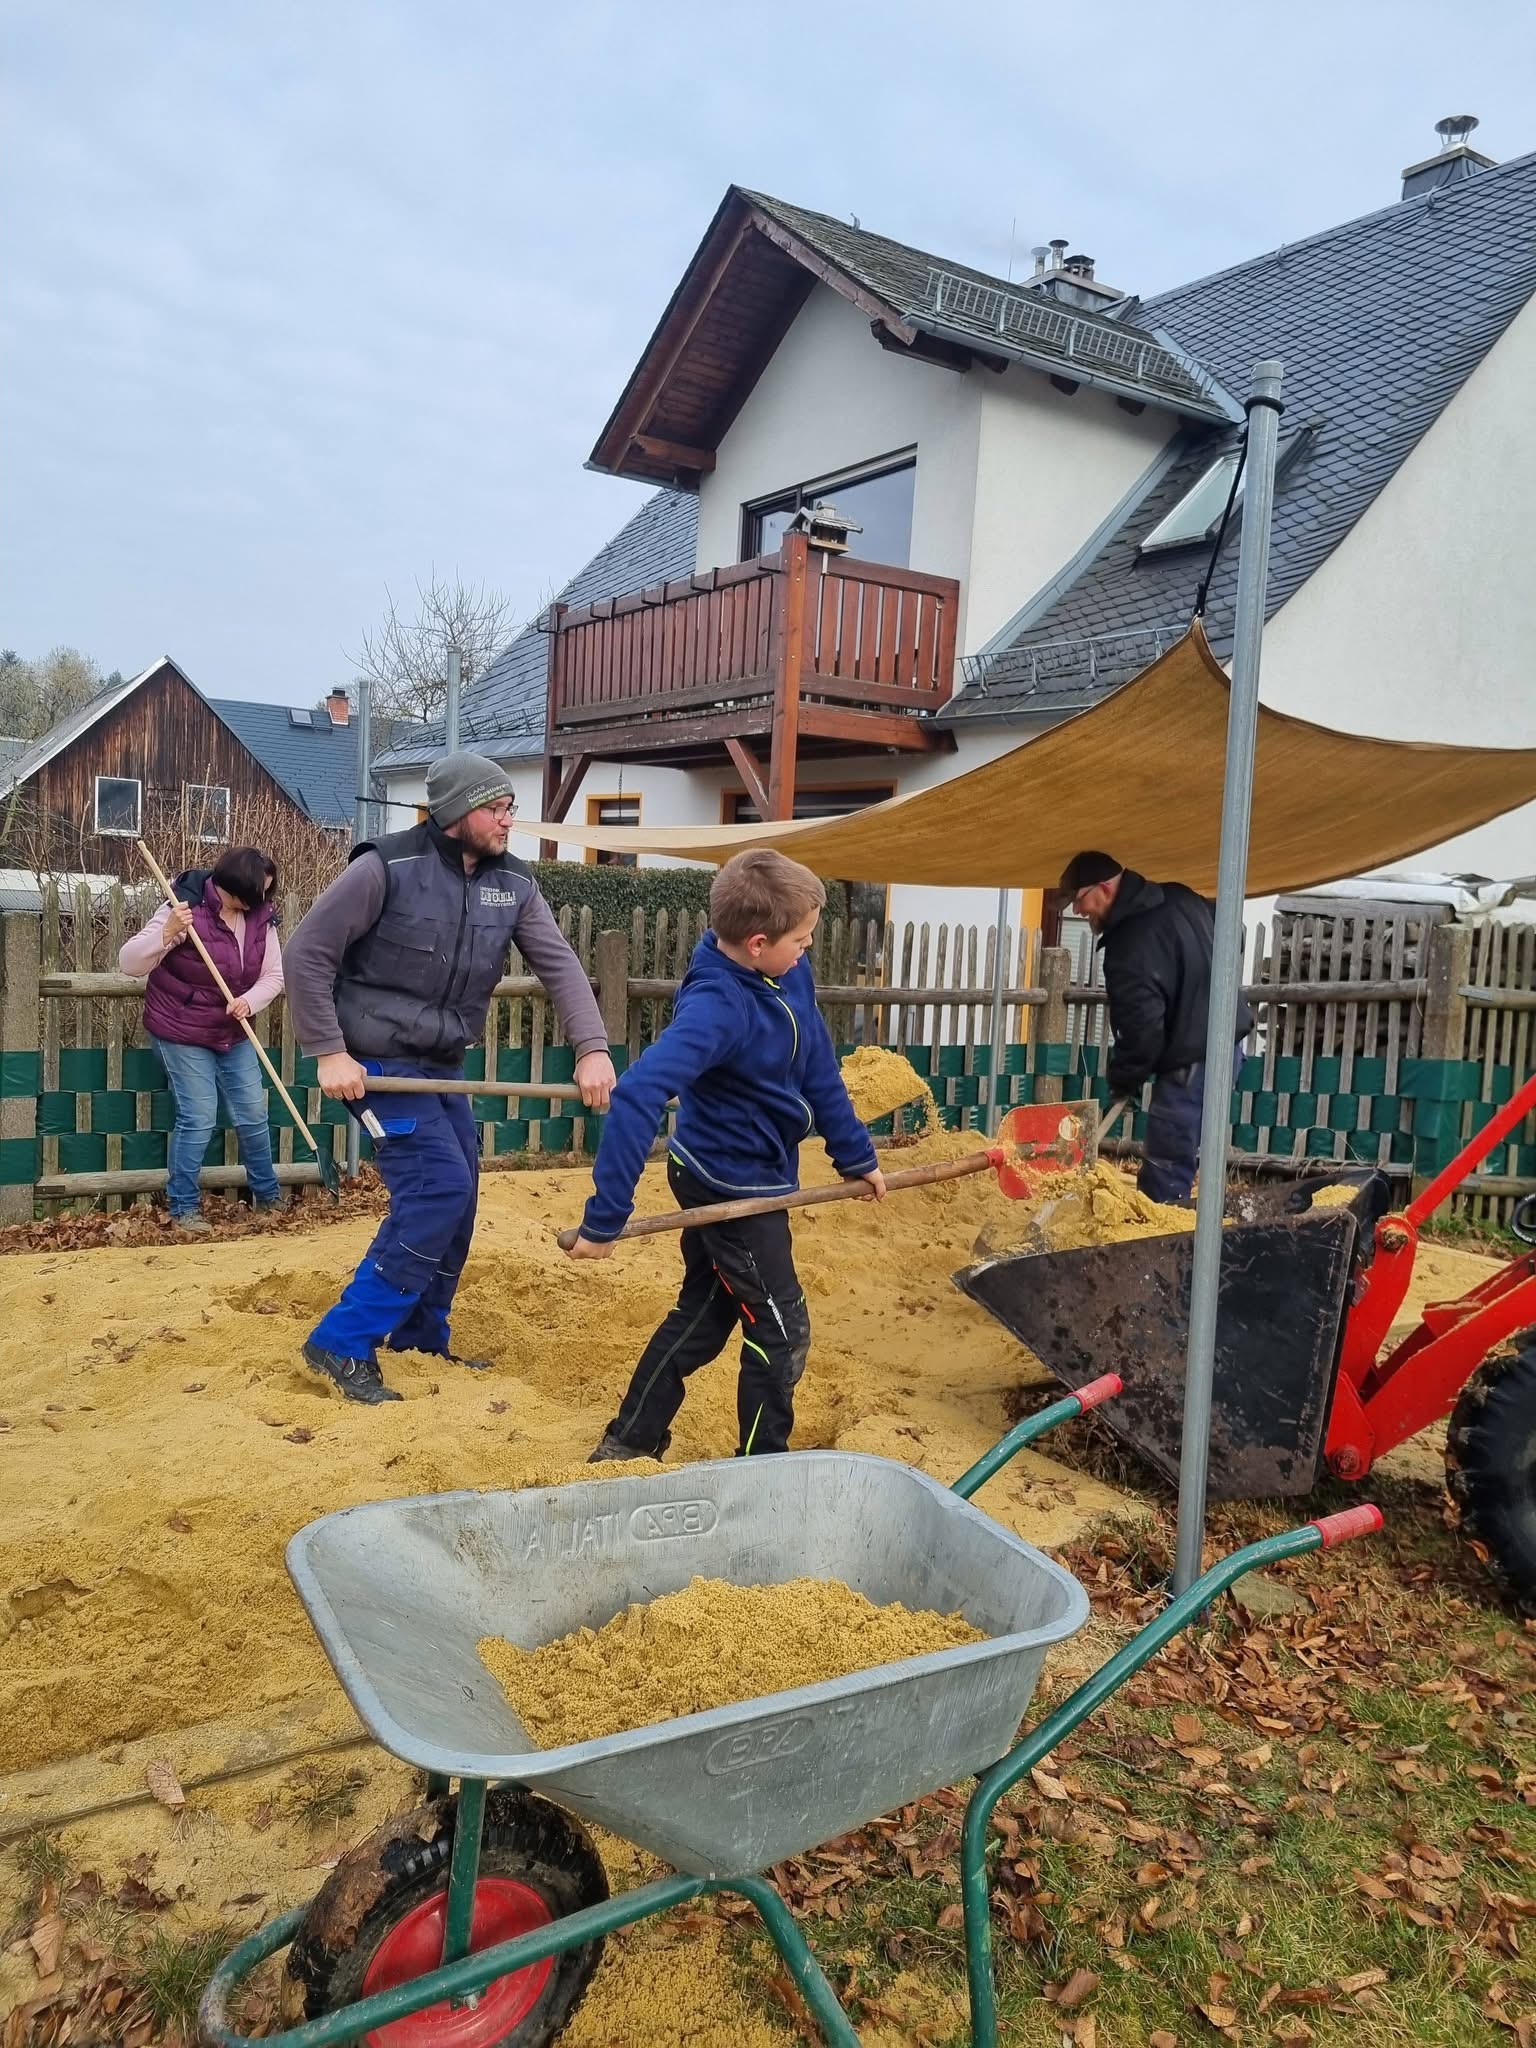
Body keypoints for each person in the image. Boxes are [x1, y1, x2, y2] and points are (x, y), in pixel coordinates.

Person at [284, 750, 615, 1405]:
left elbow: (561, 966)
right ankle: (342, 1340)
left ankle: (419, 1337)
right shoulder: (386, 867)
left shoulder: (513, 883)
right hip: (373, 1064)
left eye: (510, 807)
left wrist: (592, 1047)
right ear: (458, 810)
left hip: (440, 1065)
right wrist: (328, 1050)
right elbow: (307, 953)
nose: (507, 820)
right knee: (435, 1188)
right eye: (496, 808)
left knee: (460, 1197)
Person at [566, 847, 886, 1461]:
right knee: (781, 1330)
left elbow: (815, 1058)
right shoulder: (718, 1007)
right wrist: (604, 1219)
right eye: (801, 939)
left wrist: (855, 1153)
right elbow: (636, 1096)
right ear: (758, 942)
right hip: (729, 1187)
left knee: (708, 1313)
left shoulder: (783, 972)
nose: (808, 950)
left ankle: (629, 1442)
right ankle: (763, 1467)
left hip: (755, 1173)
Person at [1060, 850, 1253, 1204]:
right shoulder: (1179, 896)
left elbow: (1141, 1029)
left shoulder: (1129, 944)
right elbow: (1235, 934)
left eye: (1079, 900)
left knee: (1165, 1170)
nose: (1077, 911)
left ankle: (1160, 1245)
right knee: (1191, 1152)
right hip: (1230, 1048)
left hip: (1191, 1063)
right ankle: (1193, 1228)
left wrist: (1124, 1080)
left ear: (1104, 888)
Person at [119, 846, 285, 1234]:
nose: (264, 899)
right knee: (199, 1118)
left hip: (233, 1031)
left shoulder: (262, 916)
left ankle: (269, 1197)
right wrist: (167, 933)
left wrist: (248, 1001)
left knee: (253, 1114)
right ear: (236, 886)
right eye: (259, 891)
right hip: (181, 1030)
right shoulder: (185, 907)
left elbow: (274, 976)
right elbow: (129, 963)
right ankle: (184, 1207)